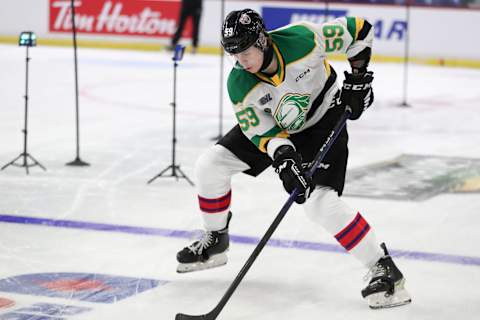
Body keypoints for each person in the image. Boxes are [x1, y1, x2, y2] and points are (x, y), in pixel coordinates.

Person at [176, 9, 411, 309]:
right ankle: (216, 239)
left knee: (320, 204)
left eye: (245, 51)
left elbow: (360, 30)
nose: (241, 60)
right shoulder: (239, 83)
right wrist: (285, 161)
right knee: (210, 165)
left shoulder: (303, 39)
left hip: (324, 119)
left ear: (261, 40)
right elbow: (264, 133)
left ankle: (384, 267)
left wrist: (359, 78)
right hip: (280, 129)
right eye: (234, 54)